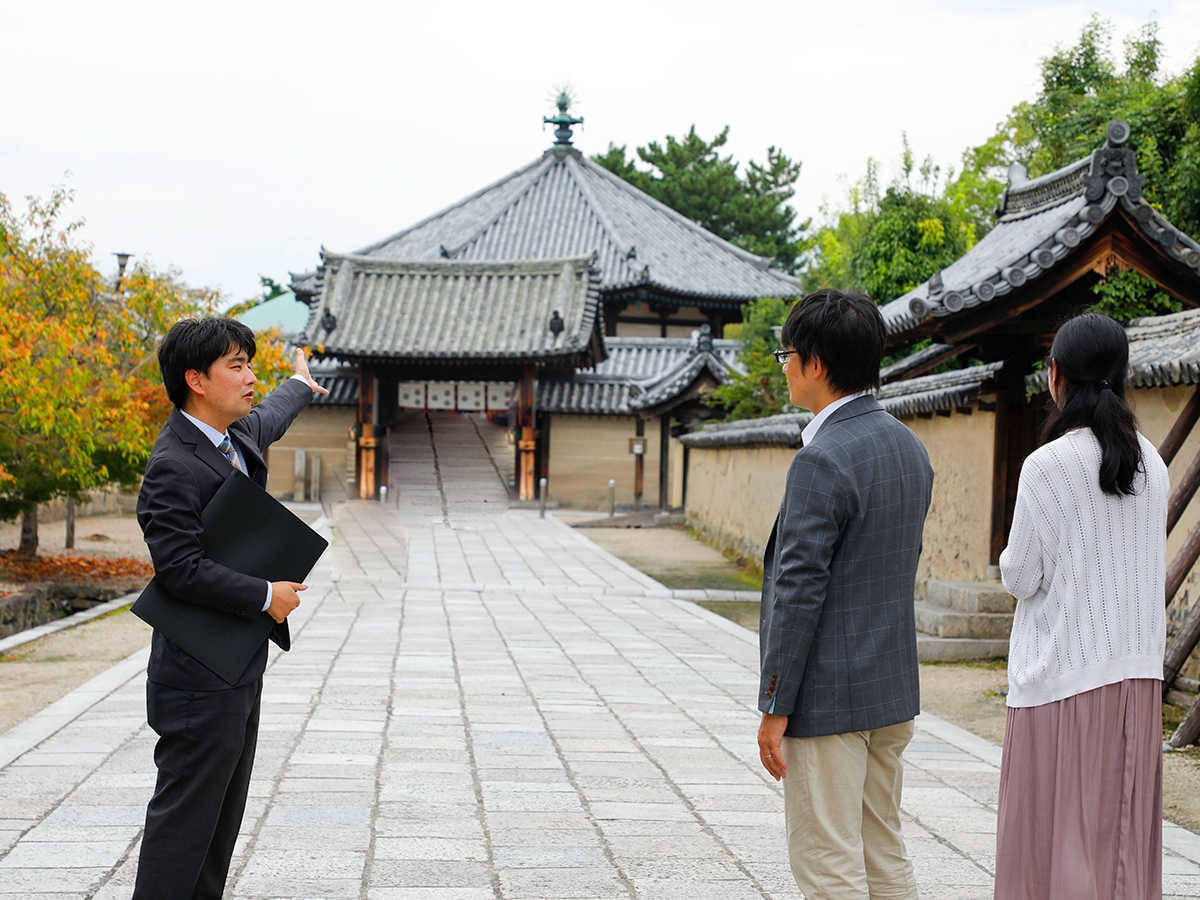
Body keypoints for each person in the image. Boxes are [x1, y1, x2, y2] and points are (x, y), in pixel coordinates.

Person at [133, 318, 328, 900]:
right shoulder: (173, 464)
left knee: (219, 828)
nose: (250, 378)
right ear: (196, 379)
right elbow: (180, 568)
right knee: (184, 827)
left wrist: (298, 384)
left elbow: (270, 416)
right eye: (236, 366)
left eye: (249, 364)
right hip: (195, 675)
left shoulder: (233, 436)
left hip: (236, 664)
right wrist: (268, 595)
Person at [757, 288, 934, 900]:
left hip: (829, 697)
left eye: (787, 356)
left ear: (816, 364)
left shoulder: (821, 458)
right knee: (883, 849)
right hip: (890, 689)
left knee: (827, 861)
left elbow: (799, 587)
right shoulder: (910, 448)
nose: (784, 368)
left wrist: (775, 703)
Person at [996, 312, 1169, 900]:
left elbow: (1020, 575)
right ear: (1123, 377)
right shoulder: (1155, 464)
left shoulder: (1046, 465)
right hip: (1139, 679)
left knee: (1054, 848)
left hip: (1063, 678)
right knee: (1118, 847)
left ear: (1055, 377)